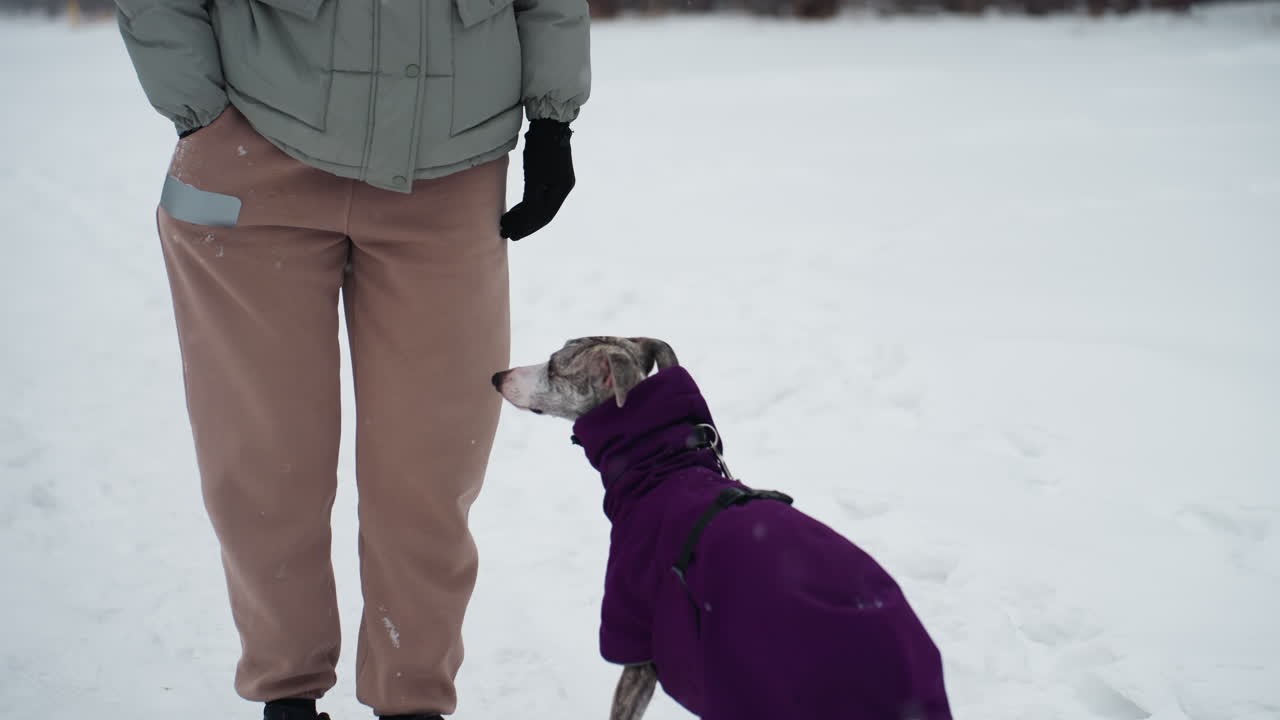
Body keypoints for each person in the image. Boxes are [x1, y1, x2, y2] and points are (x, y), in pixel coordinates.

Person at [114, 1, 590, 718]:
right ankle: (287, 694)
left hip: (451, 170)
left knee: (432, 464)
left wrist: (553, 118)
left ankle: (414, 703)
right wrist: (199, 113)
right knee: (264, 455)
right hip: (250, 155)